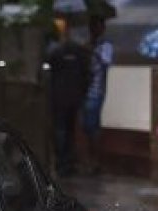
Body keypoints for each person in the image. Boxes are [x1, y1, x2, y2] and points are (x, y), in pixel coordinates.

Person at [44, 20, 91, 177]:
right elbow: (87, 76)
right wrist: (82, 93)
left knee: (60, 130)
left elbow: (47, 69)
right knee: (69, 131)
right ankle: (68, 164)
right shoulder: (80, 52)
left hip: (58, 98)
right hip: (74, 98)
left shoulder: (55, 52)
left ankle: (61, 164)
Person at [82, 15, 113, 175]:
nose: (94, 30)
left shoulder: (105, 45)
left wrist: (93, 52)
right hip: (85, 91)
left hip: (96, 91)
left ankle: (96, 162)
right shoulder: (88, 44)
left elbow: (106, 62)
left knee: (93, 128)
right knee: (87, 127)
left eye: (97, 26)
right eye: (92, 26)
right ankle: (90, 160)